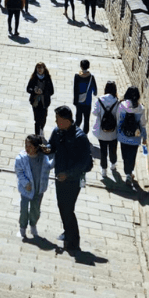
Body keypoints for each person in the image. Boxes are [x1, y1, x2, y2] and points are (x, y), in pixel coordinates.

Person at [49, 106, 92, 254]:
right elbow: (52, 145)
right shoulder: (57, 131)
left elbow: (85, 163)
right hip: (59, 177)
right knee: (62, 206)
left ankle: (74, 240)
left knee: (68, 208)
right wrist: (46, 148)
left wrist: (68, 174)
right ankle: (67, 232)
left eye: (58, 120)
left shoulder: (80, 138)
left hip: (73, 180)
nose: (56, 122)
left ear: (67, 120)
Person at [15, 134, 54, 239]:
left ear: (36, 148)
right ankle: (22, 228)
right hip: (26, 190)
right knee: (23, 210)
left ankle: (33, 225)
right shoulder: (21, 158)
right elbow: (19, 172)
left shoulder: (43, 158)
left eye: (30, 146)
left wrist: (56, 156)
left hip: (38, 190)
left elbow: (49, 166)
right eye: (26, 145)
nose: (27, 148)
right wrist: (25, 183)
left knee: (35, 210)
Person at [117, 86, 147, 187]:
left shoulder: (122, 105)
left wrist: (117, 132)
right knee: (132, 156)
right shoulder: (141, 108)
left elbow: (119, 120)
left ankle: (127, 173)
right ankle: (129, 174)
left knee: (125, 156)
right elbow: (142, 124)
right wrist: (145, 138)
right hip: (135, 137)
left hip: (123, 136)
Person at [92, 81, 119, 180]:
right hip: (113, 132)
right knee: (113, 149)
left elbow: (94, 112)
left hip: (102, 131)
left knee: (103, 151)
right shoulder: (117, 101)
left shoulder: (100, 100)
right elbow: (118, 115)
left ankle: (104, 170)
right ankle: (113, 163)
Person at [26, 62, 54, 136]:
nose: (39, 69)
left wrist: (43, 92)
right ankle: (37, 134)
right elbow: (28, 88)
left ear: (44, 69)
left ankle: (41, 128)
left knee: (43, 118)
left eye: (41, 68)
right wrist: (34, 91)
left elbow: (51, 91)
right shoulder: (34, 77)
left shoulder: (47, 78)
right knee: (37, 120)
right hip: (35, 102)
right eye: (38, 68)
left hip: (44, 102)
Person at [73, 59, 97, 136]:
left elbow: (75, 89)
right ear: (88, 66)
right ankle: (84, 134)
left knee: (78, 119)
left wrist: (75, 101)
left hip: (79, 101)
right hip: (87, 102)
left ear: (81, 66)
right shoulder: (91, 77)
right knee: (86, 119)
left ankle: (75, 133)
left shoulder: (77, 76)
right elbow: (95, 91)